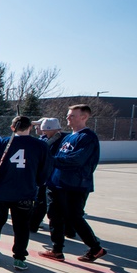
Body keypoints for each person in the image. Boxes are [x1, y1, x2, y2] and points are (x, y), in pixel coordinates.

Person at [0, 116, 50, 271]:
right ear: (30, 127)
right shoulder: (40, 145)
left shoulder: (3, 143)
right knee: (21, 226)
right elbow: (44, 169)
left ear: (12, 128)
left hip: (1, 191)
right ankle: (19, 257)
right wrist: (37, 182)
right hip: (25, 192)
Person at [41, 104, 106, 263]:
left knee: (74, 217)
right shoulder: (67, 137)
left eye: (72, 115)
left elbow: (76, 160)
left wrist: (50, 160)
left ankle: (95, 248)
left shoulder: (87, 137)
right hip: (57, 184)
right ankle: (57, 250)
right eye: (68, 115)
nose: (67, 118)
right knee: (55, 217)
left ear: (84, 117)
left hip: (74, 185)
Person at [28, 118, 67, 232]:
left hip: (56, 177)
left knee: (50, 205)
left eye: (44, 128)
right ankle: (33, 224)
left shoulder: (63, 139)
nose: (39, 129)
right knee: (40, 202)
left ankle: (66, 228)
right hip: (44, 176)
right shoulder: (44, 139)